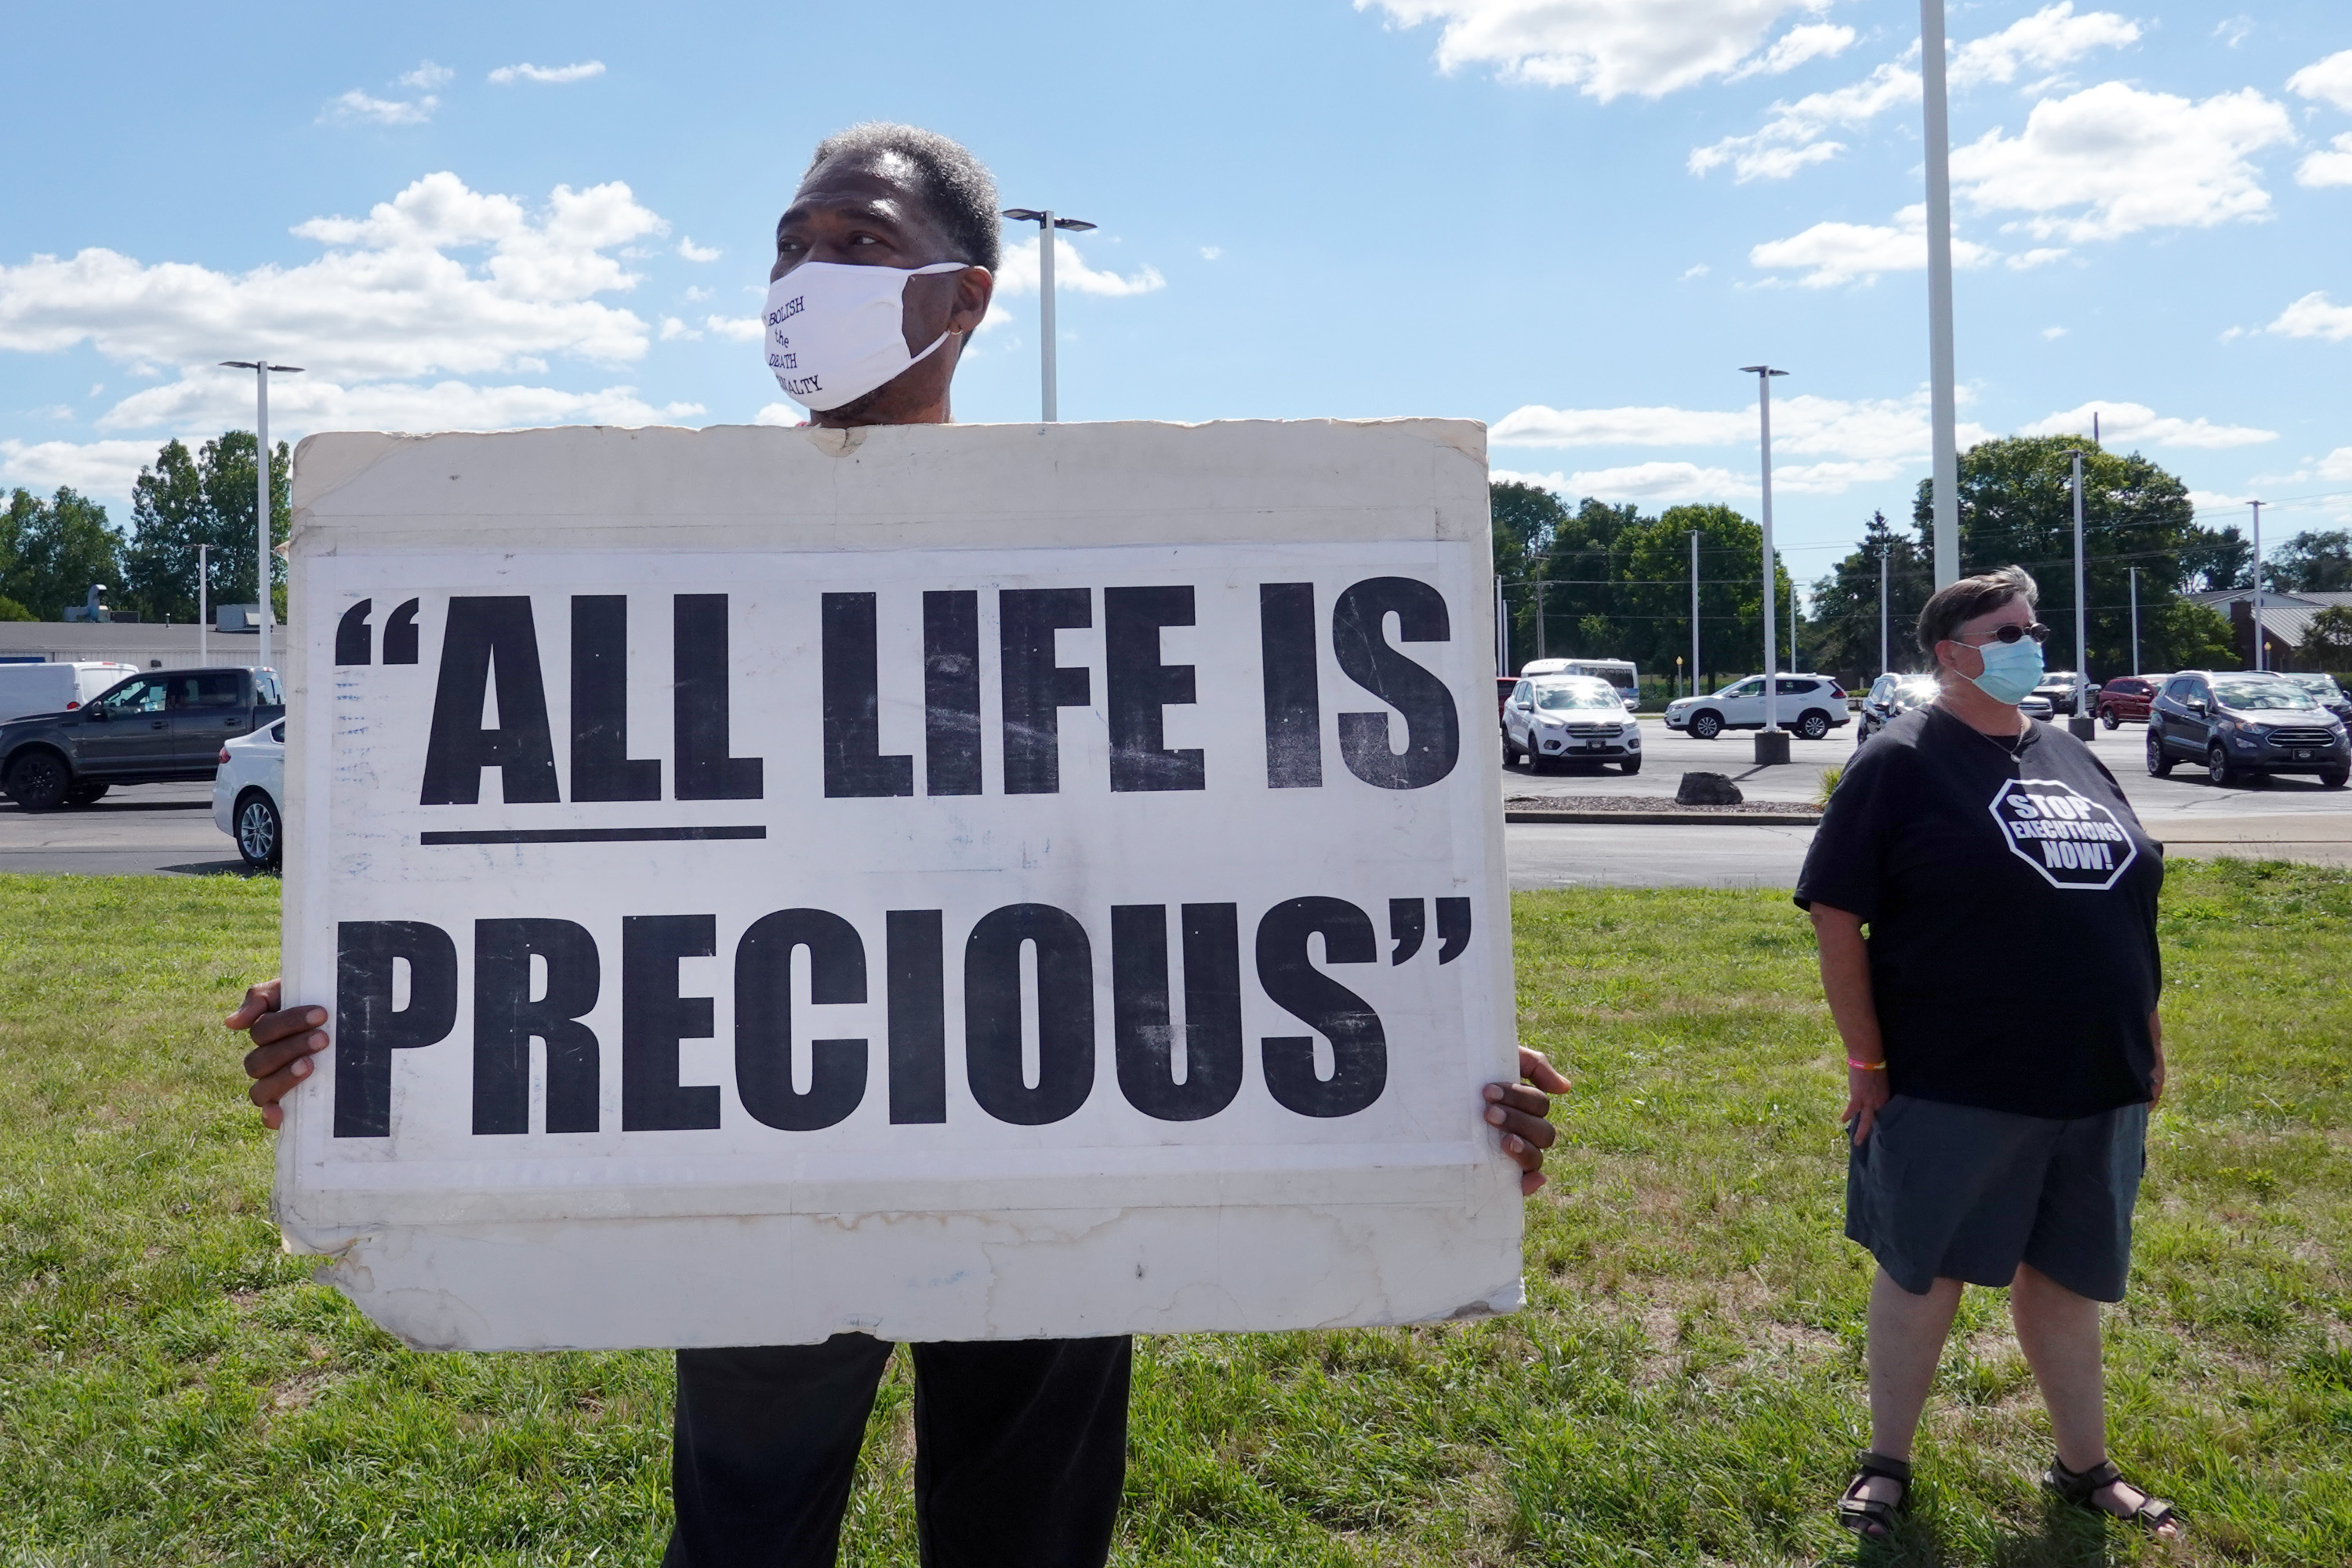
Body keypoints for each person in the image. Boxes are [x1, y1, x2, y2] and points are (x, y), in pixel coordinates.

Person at [227, 122, 1572, 1568]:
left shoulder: (1110, 548)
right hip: (765, 1151)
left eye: (858, 242)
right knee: (744, 1537)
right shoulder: (657, 561)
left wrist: (1435, 1057)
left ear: (965, 297)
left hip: (1052, 1146)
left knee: (1024, 1538)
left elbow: (1252, 844)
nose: (808, 273)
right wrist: (357, 1034)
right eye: (791, 245)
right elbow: (544, 876)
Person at [1795, 564, 2180, 1543]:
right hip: (1957, 1074)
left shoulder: (2071, 753)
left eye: (2034, 625)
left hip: (2096, 1077)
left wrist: (2148, 1038)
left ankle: (2084, 1466)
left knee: (2069, 1278)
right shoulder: (1902, 758)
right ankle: (1887, 1463)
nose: (2032, 641)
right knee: (1924, 1271)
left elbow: (2129, 908)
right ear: (1953, 652)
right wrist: (1867, 1062)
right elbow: (1838, 913)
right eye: (2010, 629)